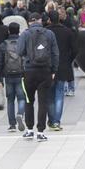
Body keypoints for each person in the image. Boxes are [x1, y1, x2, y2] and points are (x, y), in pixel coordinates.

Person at [16, 13, 59, 142]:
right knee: (43, 102)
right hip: (45, 71)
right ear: (40, 21)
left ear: (29, 22)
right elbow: (55, 53)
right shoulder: (50, 34)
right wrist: (54, 70)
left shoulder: (25, 34)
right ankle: (40, 132)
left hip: (29, 71)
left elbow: (19, 51)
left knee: (29, 101)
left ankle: (29, 130)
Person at [46, 11, 76, 131]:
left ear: (49, 19)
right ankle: (57, 121)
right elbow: (75, 49)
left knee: (50, 95)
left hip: (48, 67)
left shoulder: (45, 32)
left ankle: (52, 119)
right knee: (59, 94)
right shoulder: (67, 31)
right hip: (63, 66)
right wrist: (69, 60)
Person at [0, 23, 26, 132]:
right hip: (21, 75)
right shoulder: (23, 43)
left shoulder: (3, 45)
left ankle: (12, 125)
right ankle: (20, 114)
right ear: (18, 31)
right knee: (22, 98)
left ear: (9, 31)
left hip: (8, 76)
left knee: (10, 100)